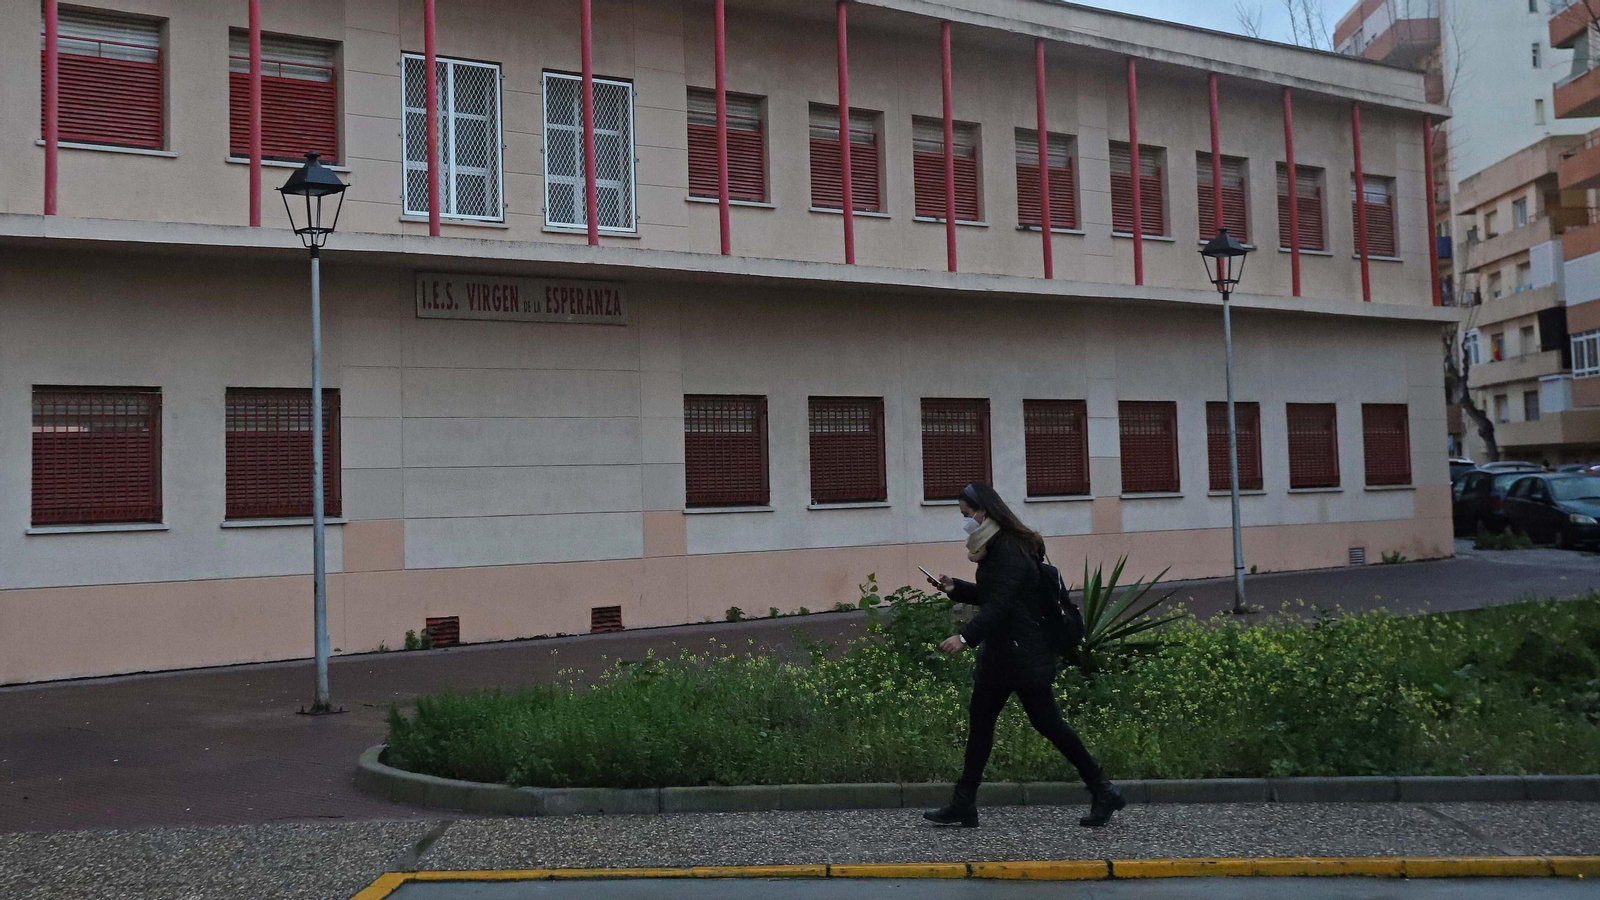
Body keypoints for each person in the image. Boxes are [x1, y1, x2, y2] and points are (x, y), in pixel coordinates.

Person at [924, 482, 1125, 828]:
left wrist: (964, 636)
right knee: (982, 723)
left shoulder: (1010, 550)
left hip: (1022, 655)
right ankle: (964, 802)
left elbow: (1000, 605)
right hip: (1004, 654)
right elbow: (995, 595)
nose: (965, 522)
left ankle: (1102, 789)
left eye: (966, 514)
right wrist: (956, 587)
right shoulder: (998, 545)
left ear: (983, 511)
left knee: (1048, 724)